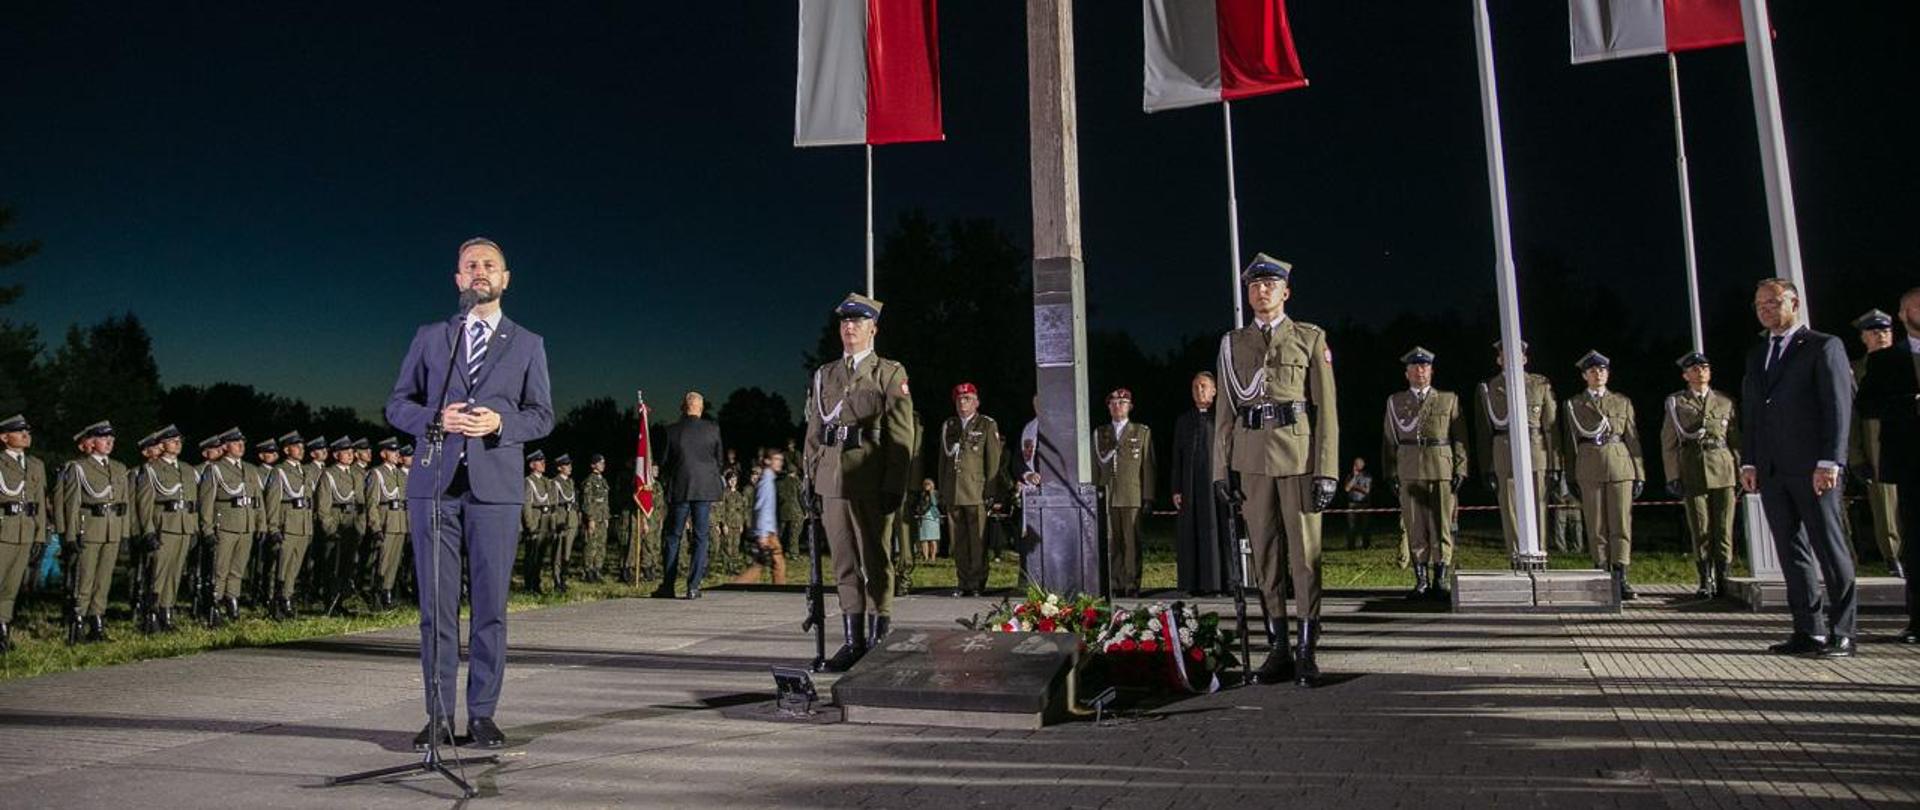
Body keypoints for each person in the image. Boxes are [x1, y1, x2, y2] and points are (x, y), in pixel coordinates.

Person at [385, 235, 554, 750]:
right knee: (436, 610)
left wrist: (501, 422)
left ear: (505, 279)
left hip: (494, 491)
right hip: (435, 487)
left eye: (490, 265)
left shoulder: (528, 344)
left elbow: (543, 416)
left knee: (489, 608)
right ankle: (438, 717)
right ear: (458, 280)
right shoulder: (432, 336)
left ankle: (482, 714)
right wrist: (436, 418)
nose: (480, 271)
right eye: (470, 265)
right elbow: (397, 404)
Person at [1212, 254, 1339, 687]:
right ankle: (1278, 649)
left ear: (1286, 291)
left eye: (1270, 284)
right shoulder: (1232, 345)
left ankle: (1307, 650)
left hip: (1300, 458)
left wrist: (1327, 470)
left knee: (1304, 558)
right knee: (1264, 559)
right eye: (1254, 286)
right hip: (1250, 462)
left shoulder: (1309, 337)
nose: (1261, 291)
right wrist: (1221, 470)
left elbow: (1327, 412)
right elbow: (1226, 413)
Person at [1740, 278, 1857, 658]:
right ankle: (1809, 630)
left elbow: (1838, 408)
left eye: (1773, 302)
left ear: (1794, 303)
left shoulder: (1824, 346)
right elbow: (1754, 414)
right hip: (1773, 470)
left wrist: (1830, 461)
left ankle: (1843, 631)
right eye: (1759, 304)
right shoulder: (1758, 354)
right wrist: (1751, 459)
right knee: (1792, 553)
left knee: (1829, 547)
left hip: (1814, 467)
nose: (1765, 310)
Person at [802, 292, 914, 671]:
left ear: (873, 329)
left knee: (875, 560)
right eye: (844, 322)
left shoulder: (889, 373)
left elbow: (902, 437)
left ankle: (879, 638)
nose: (849, 328)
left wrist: (894, 485)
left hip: (870, 480)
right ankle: (853, 641)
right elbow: (815, 431)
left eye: (857, 322)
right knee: (845, 563)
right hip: (832, 482)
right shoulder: (825, 375)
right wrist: (810, 478)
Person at [1856, 288, 1920, 643]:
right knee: (1913, 538)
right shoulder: (1885, 362)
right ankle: (1917, 619)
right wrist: (1910, 403)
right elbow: (1865, 407)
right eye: (1915, 306)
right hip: (1909, 460)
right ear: (1903, 313)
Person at [1382, 347, 1468, 601]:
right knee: (1415, 525)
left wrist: (1461, 467)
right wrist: (1390, 472)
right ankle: (1421, 580)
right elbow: (1389, 440)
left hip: (1441, 466)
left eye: (1425, 367)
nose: (1420, 371)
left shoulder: (1448, 399)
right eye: (1415, 367)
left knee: (1441, 525)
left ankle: (1440, 578)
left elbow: (1460, 437)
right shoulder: (1395, 401)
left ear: (1432, 370)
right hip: (1408, 467)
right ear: (1407, 373)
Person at [1562, 351, 1645, 601]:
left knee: (1621, 523)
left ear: (1607, 374)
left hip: (1620, 465)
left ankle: (1621, 574)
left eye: (1602, 370)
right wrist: (1570, 475)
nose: (1598, 374)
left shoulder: (1622, 402)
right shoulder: (1574, 404)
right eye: (1592, 371)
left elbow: (1633, 438)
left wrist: (1639, 473)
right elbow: (1569, 443)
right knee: (1596, 523)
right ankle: (1602, 571)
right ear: (1584, 375)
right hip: (1589, 466)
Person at [1660, 352, 1741, 598]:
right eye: (1694, 369)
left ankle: (1723, 577)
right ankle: (1705, 578)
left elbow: (1735, 440)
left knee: (1724, 527)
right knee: (1700, 526)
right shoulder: (1677, 403)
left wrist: (1741, 470)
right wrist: (1673, 475)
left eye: (1704, 368)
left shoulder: (1725, 402)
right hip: (1693, 468)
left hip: (1724, 469)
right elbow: (1669, 442)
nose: (1700, 372)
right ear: (1685, 375)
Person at [1476, 341, 1561, 557]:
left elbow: (1551, 427)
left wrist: (1555, 464)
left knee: (1538, 507)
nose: (1512, 359)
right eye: (1506, 355)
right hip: (1504, 451)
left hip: (1535, 450)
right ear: (1499, 360)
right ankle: (1516, 556)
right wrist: (1488, 467)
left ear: (1525, 359)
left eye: (1517, 354)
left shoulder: (1540, 384)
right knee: (1510, 508)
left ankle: (1539, 555)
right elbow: (1485, 432)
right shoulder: (1488, 387)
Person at [55, 421, 130, 643]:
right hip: (88, 528)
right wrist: (69, 535)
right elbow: (71, 504)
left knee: (103, 580)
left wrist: (124, 534)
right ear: (91, 441)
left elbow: (123, 504)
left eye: (112, 439)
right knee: (84, 580)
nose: (109, 442)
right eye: (103, 438)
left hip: (112, 530)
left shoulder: (119, 467)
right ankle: (77, 624)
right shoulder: (79, 467)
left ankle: (97, 623)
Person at [1849, 309, 1903, 577]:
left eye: (1885, 331)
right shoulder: (1857, 371)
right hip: (1878, 445)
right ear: (1863, 338)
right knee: (1886, 505)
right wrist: (1856, 457)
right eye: (1873, 332)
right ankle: (1893, 557)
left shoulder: (1909, 361)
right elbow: (1852, 417)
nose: (1880, 336)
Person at [656, 391, 725, 599]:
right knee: (701, 537)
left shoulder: (671, 430)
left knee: (673, 536)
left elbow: (664, 461)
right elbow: (719, 460)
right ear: (701, 408)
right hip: (704, 488)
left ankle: (668, 585)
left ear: (682, 408)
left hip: (681, 487)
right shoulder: (713, 429)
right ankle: (693, 586)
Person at [939, 382, 1004, 597]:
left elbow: (993, 461)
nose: (962, 403)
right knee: (958, 540)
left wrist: (991, 492)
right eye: (959, 399)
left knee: (977, 540)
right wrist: (943, 489)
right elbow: (943, 461)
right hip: (954, 490)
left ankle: (977, 582)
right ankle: (963, 581)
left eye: (967, 399)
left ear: (976, 402)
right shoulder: (949, 425)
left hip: (976, 490)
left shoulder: (986, 424)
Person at [133, 425, 195, 632]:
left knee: (175, 573)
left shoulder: (187, 469)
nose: (177, 443)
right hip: (164, 527)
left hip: (183, 526)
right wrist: (148, 530)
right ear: (161, 444)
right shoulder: (151, 469)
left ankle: (166, 613)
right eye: (172, 440)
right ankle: (151, 615)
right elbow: (144, 504)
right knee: (157, 574)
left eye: (179, 440)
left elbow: (192, 502)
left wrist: (193, 527)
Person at [1094, 388, 1155, 598]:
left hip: (1132, 495)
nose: (1117, 406)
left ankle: (1132, 583)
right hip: (1109, 494)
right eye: (1113, 403)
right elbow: (1095, 466)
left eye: (1122, 403)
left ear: (1130, 406)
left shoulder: (1141, 432)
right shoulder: (1101, 433)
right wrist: (1095, 492)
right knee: (1112, 542)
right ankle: (1115, 582)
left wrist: (1148, 496)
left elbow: (1147, 466)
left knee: (1132, 543)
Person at [198, 427, 260, 622]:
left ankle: (232, 600)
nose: (241, 446)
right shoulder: (215, 469)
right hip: (225, 526)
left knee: (238, 569)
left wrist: (262, 525)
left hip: (246, 525)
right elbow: (206, 502)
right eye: (236, 443)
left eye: (242, 442)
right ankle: (214, 604)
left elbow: (258, 502)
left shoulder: (250, 469)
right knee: (220, 569)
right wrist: (207, 529)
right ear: (225, 446)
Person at [1171, 372, 1225, 594]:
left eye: (1203, 386)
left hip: (1215, 487)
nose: (1199, 391)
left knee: (1215, 531)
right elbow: (1177, 456)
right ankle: (1192, 583)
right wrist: (1176, 488)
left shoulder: (1222, 418)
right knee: (1190, 533)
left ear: (1214, 390)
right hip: (1190, 487)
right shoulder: (1184, 420)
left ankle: (1219, 583)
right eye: (1195, 387)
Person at [0, 414, 48, 653]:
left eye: (27, 431)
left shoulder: (36, 465)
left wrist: (39, 536)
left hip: (25, 531)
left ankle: (3, 628)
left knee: (12, 585)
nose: (26, 435)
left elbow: (38, 503)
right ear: (4, 437)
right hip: (3, 529)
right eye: (20, 432)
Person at [264, 431, 316, 619]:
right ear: (287, 450)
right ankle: (276, 602)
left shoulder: (305, 471)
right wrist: (273, 527)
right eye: (297, 447)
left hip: (302, 526)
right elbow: (272, 501)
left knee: (294, 567)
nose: (301, 450)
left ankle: (287, 598)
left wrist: (309, 527)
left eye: (302, 447)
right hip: (287, 525)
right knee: (281, 567)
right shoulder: (279, 471)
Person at [313, 436, 364, 610]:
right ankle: (330, 600)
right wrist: (329, 529)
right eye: (346, 452)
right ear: (336, 455)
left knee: (347, 565)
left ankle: (341, 600)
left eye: (352, 452)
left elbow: (361, 502)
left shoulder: (356, 474)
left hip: (351, 523)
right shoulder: (329, 474)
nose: (351, 455)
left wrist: (360, 525)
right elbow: (323, 506)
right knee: (331, 565)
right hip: (336, 520)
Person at [364, 437, 410, 609]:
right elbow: (372, 503)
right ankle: (375, 593)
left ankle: (387, 592)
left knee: (394, 561)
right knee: (382, 562)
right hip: (386, 521)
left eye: (397, 451)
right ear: (383, 454)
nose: (397, 454)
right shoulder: (377, 473)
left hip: (399, 521)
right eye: (393, 451)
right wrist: (375, 526)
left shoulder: (399, 474)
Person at [732, 448, 789, 585]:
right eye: (776, 459)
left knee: (761, 565)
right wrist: (763, 534)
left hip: (768, 531)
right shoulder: (766, 482)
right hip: (767, 533)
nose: (780, 463)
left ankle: (737, 586)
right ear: (767, 461)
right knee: (776, 565)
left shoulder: (768, 480)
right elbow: (762, 508)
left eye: (781, 460)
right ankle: (780, 592)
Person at [520, 450, 558, 594]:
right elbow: (527, 505)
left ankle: (537, 583)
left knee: (540, 555)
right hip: (536, 522)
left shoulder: (546, 481)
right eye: (539, 461)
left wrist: (552, 525)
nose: (543, 463)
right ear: (531, 464)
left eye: (543, 461)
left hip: (546, 522)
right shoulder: (529, 481)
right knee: (532, 555)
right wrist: (529, 525)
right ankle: (529, 585)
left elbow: (551, 503)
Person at [579, 454, 611, 583]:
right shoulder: (589, 481)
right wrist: (590, 518)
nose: (602, 465)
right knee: (591, 544)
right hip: (594, 517)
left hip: (602, 517)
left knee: (601, 545)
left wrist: (607, 517)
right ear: (593, 465)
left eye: (603, 463)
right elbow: (587, 501)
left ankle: (597, 569)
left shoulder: (603, 481)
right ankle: (588, 570)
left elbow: (605, 501)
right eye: (599, 463)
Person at [551, 454, 578, 593]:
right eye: (566, 465)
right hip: (561, 519)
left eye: (570, 465)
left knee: (567, 552)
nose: (569, 468)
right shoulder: (555, 482)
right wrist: (556, 522)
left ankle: (564, 578)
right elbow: (554, 504)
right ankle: (556, 580)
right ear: (559, 467)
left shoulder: (570, 482)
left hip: (571, 519)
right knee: (558, 552)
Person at [1341, 458, 1372, 550]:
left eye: (1357, 464)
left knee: (1365, 525)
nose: (1355, 466)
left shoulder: (1367, 476)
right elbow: (1346, 488)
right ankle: (1351, 546)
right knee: (1351, 526)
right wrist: (1354, 477)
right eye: (1354, 464)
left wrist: (1354, 486)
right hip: (1352, 504)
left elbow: (1367, 490)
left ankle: (1366, 546)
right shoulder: (1350, 476)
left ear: (1362, 465)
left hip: (1364, 504)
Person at [912, 478, 941, 564]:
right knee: (924, 538)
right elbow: (919, 504)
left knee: (933, 539)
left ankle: (933, 557)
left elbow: (935, 503)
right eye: (925, 484)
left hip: (933, 517)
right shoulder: (922, 494)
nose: (926, 486)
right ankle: (925, 557)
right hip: (923, 517)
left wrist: (931, 493)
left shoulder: (935, 493)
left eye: (928, 484)